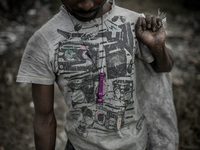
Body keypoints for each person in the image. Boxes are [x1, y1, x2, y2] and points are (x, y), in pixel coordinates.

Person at [16, 0, 179, 149]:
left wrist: (157, 47)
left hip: (136, 144)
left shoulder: (134, 23)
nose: (86, 5)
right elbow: (44, 119)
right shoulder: (44, 41)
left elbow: (164, 67)